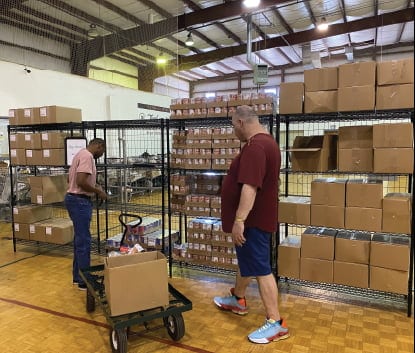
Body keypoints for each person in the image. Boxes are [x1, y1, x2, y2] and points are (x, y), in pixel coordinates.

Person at [213, 105, 289, 344]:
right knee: (247, 261)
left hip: (253, 221)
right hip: (255, 220)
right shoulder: (267, 143)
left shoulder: (256, 148)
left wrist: (239, 220)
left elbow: (250, 186)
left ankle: (275, 323)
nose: (234, 131)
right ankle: (238, 298)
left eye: (234, 126)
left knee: (261, 269)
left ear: (241, 123)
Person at [64, 138, 107, 290]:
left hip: (74, 199)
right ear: (99, 146)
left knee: (79, 240)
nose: (101, 155)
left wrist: (94, 185)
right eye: (102, 151)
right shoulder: (88, 157)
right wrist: (98, 192)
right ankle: (84, 281)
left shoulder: (79, 154)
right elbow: (81, 181)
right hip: (79, 201)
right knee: (84, 241)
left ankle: (79, 276)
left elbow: (71, 179)